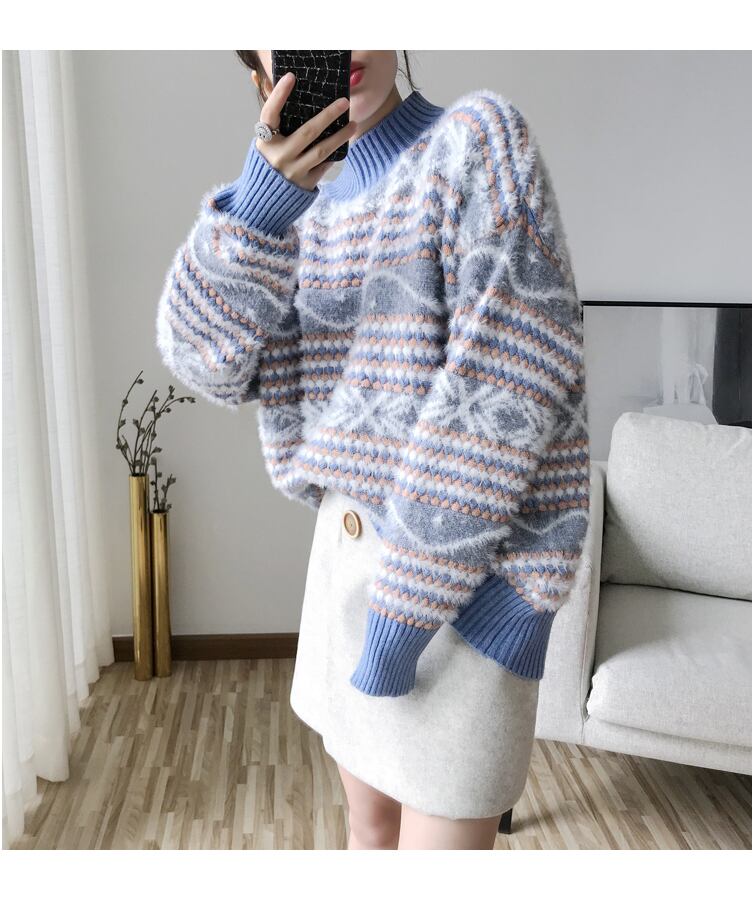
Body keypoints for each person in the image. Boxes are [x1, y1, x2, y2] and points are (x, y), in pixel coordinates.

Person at [155, 50, 590, 850]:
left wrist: (400, 620)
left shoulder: (476, 142)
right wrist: (256, 211)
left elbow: (506, 392)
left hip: (464, 593)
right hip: (343, 577)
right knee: (367, 834)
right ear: (258, 62)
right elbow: (202, 360)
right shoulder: (289, 211)